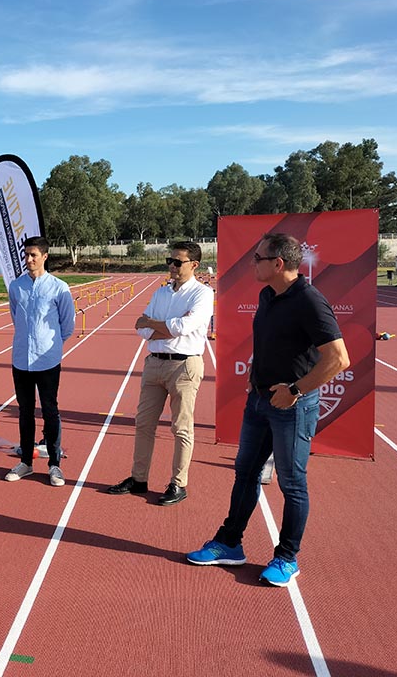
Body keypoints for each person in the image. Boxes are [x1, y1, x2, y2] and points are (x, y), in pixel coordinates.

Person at [186, 233, 350, 587]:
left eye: (257, 258)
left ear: (278, 264)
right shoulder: (267, 295)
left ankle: (287, 557)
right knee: (245, 472)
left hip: (292, 405)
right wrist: (257, 377)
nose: (252, 263)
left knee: (292, 483)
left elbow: (339, 358)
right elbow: (271, 343)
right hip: (258, 400)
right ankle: (229, 542)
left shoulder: (309, 300)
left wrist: (293, 390)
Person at [107, 241, 214, 506]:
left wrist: (155, 325)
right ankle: (139, 478)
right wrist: (163, 327)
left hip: (184, 365)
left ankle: (178, 483)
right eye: (170, 260)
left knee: (181, 427)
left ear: (194, 265)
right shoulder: (161, 293)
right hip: (154, 363)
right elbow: (140, 327)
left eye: (178, 262)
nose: (172, 266)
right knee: (143, 423)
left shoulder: (202, 294)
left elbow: (184, 326)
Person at [4, 236, 75, 487]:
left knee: (50, 410)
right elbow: (16, 317)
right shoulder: (16, 287)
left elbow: (67, 325)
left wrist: (50, 345)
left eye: (34, 255)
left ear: (45, 256)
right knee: (25, 411)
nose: (29, 259)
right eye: (26, 255)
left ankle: (54, 465)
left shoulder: (59, 287)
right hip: (21, 359)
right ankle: (26, 462)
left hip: (47, 359)